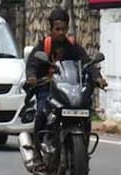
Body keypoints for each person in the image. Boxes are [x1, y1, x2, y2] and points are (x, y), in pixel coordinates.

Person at [25, 8, 107, 162]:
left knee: (85, 111)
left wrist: (98, 78)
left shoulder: (73, 47)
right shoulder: (44, 46)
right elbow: (33, 63)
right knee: (42, 113)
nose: (61, 32)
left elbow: (86, 63)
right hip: (47, 88)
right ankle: (37, 153)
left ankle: (83, 151)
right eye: (57, 29)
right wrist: (32, 76)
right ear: (51, 29)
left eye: (64, 29)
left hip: (68, 88)